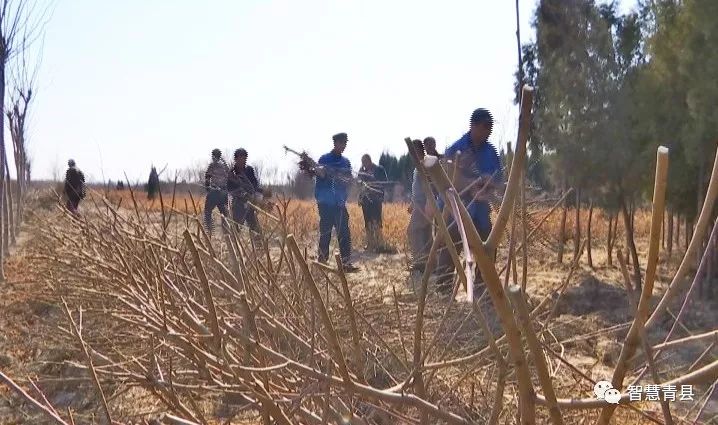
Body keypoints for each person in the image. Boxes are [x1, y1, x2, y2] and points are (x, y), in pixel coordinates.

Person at [434, 108, 504, 293]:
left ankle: (483, 286)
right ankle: (444, 289)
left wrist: (489, 183)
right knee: (450, 247)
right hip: (455, 210)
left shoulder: (491, 151)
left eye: (489, 128)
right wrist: (472, 185)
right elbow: (448, 179)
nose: (487, 132)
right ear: (473, 126)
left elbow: (499, 180)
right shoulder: (456, 149)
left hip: (480, 210)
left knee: (487, 246)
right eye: (484, 127)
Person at [303, 133, 359, 272]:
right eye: (341, 143)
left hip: (340, 203)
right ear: (335, 143)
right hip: (326, 203)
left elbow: (349, 180)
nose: (343, 146)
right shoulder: (324, 159)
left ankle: (346, 263)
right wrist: (323, 173)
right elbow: (319, 175)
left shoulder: (346, 162)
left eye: (345, 143)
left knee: (344, 232)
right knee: (326, 231)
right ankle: (322, 260)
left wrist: (352, 182)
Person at [407, 140, 435, 275]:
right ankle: (430, 263)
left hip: (424, 205)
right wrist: (412, 203)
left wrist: (429, 203)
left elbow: (429, 185)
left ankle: (420, 263)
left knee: (413, 231)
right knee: (425, 234)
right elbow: (417, 188)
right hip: (419, 204)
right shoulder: (418, 166)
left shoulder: (424, 165)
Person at [358, 154, 395, 253]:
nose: (364, 164)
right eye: (363, 162)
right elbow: (359, 185)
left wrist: (374, 182)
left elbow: (385, 182)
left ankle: (379, 244)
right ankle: (370, 244)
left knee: (377, 221)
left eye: (365, 162)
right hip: (366, 200)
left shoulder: (379, 169)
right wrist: (360, 198)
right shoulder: (362, 171)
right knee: (367, 222)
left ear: (370, 161)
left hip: (376, 199)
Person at [227, 148, 263, 240]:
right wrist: (242, 194)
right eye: (241, 158)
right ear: (236, 159)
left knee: (255, 228)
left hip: (250, 203)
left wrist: (254, 193)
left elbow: (254, 183)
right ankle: (235, 248)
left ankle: (259, 248)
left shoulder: (249, 170)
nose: (243, 160)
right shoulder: (232, 173)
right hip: (238, 204)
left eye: (244, 158)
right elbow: (230, 189)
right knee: (236, 227)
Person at [204, 148, 230, 235]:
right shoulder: (225, 166)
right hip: (224, 193)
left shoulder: (212, 165)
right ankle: (226, 233)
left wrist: (208, 188)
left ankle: (210, 231)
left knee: (207, 211)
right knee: (225, 214)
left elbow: (207, 178)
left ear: (214, 156)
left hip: (214, 192)